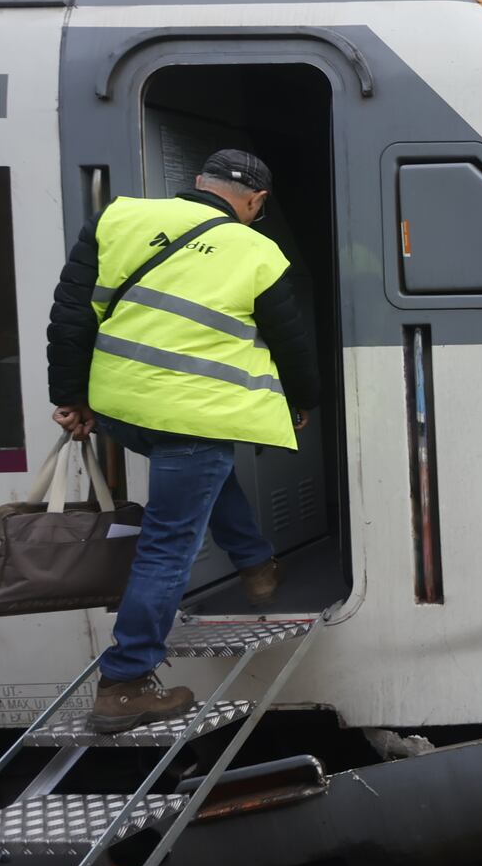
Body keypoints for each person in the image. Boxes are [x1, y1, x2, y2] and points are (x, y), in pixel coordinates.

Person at [46, 150, 319, 734]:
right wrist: (303, 401)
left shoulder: (118, 218)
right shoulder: (257, 250)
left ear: (197, 184)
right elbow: (290, 341)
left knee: (200, 477)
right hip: (195, 414)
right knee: (169, 543)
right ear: (256, 202)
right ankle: (125, 682)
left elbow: (71, 315)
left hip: (123, 408)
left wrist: (72, 396)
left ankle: (254, 564)